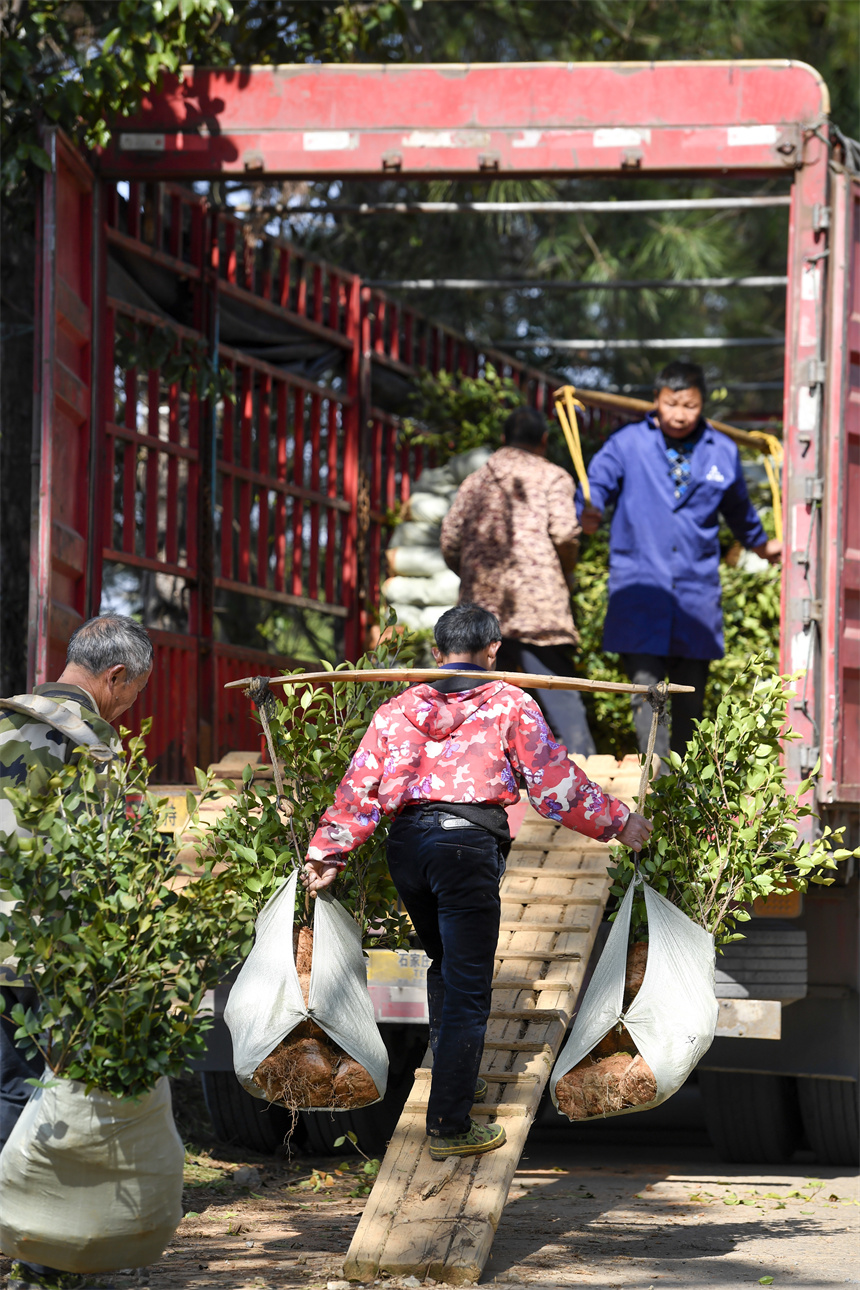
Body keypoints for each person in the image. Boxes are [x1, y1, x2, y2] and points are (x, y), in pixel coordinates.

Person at [304, 604, 651, 1162]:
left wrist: (328, 852)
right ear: (493, 651)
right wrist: (619, 820)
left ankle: (454, 1077)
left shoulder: (397, 710)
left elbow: (360, 787)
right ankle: (449, 1123)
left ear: (438, 655)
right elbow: (554, 785)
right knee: (468, 983)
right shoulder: (511, 703)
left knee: (445, 964)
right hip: (465, 850)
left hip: (408, 850)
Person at [0, 614, 153, 1290]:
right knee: (35, 1096)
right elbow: (102, 864)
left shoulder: (4, 719)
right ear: (113, 677)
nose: (130, 709)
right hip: (36, 954)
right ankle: (38, 1256)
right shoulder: (88, 744)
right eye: (134, 693)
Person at [579, 360, 781, 759]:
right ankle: (655, 781)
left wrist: (762, 545)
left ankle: (686, 789)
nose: (679, 414)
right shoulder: (627, 443)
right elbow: (597, 481)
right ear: (656, 401)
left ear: (702, 404)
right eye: (671, 404)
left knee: (691, 699)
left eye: (689, 405)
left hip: (695, 596)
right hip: (640, 588)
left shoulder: (721, 450)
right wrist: (588, 508)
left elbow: (739, 510)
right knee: (645, 691)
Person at [440, 406, 597, 757]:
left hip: (481, 610)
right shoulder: (553, 476)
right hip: (540, 608)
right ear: (543, 440)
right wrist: (565, 572)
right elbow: (566, 534)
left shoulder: (475, 481)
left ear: (503, 439)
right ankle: (588, 777)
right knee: (561, 697)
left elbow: (450, 539)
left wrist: (472, 577)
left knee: (482, 701)